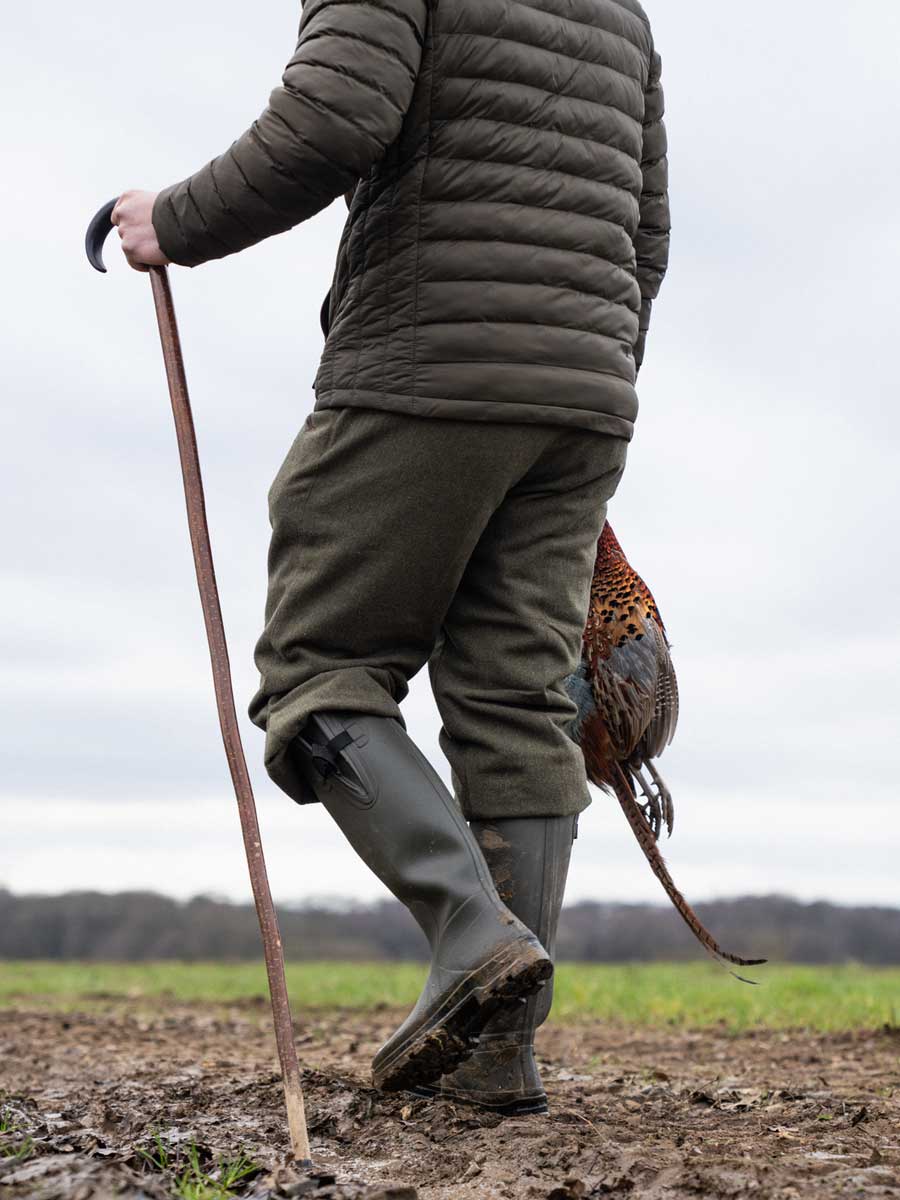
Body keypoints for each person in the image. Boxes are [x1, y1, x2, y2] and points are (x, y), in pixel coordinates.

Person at [112, 0, 669, 1114]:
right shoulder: (624, 10)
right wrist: (570, 386)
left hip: (425, 363)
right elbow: (645, 233)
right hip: (590, 390)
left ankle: (472, 933)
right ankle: (493, 1055)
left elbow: (334, 115)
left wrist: (172, 219)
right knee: (519, 699)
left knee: (320, 668)